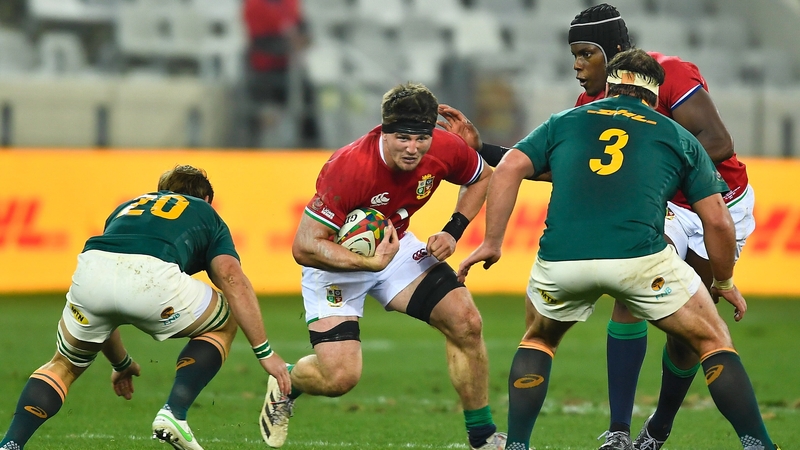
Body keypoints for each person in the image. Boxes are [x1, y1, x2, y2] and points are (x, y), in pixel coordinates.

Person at [438, 4, 756, 449]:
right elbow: (564, 167)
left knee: (690, 331)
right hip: (656, 208)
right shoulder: (589, 105)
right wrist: (483, 148)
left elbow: (720, 143)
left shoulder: (671, 73)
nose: (576, 65)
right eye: (574, 55)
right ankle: (619, 431)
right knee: (631, 282)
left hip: (717, 200)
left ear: (615, 51)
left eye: (586, 53)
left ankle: (659, 427)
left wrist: (650, 166)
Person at [258, 82, 506, 450]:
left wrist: (454, 230)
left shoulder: (444, 147)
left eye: (420, 138)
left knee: (465, 321)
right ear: (384, 131)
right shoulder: (349, 167)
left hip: (394, 245)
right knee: (340, 378)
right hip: (335, 261)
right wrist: (367, 262)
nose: (412, 148)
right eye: (402, 138)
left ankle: (482, 437)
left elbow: (483, 175)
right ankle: (288, 382)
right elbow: (305, 245)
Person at [0, 165, 291, 450]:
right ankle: (174, 413)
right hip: (152, 279)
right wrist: (264, 351)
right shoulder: (205, 213)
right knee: (224, 319)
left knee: (63, 364)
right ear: (206, 200)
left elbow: (110, 305)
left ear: (161, 192)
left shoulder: (128, 207)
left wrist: (121, 364)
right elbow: (230, 275)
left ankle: (10, 444)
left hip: (91, 272)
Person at [243, 0, 319, 148]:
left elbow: (302, 26)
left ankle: (311, 149)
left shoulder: (291, 3)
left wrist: (303, 38)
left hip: (290, 68)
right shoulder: (254, 4)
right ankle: (252, 151)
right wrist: (289, 44)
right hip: (264, 70)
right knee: (261, 114)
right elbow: (259, 40)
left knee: (308, 99)